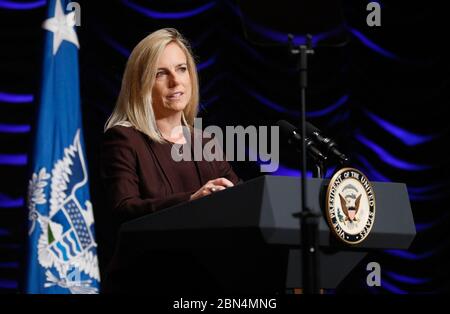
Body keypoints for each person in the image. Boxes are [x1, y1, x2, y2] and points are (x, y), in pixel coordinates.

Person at [99, 28, 240, 293]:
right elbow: (123, 210)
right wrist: (190, 202)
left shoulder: (205, 142)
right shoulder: (124, 138)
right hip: (147, 281)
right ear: (140, 84)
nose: (176, 81)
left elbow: (241, 200)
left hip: (207, 281)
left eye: (182, 69)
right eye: (160, 73)